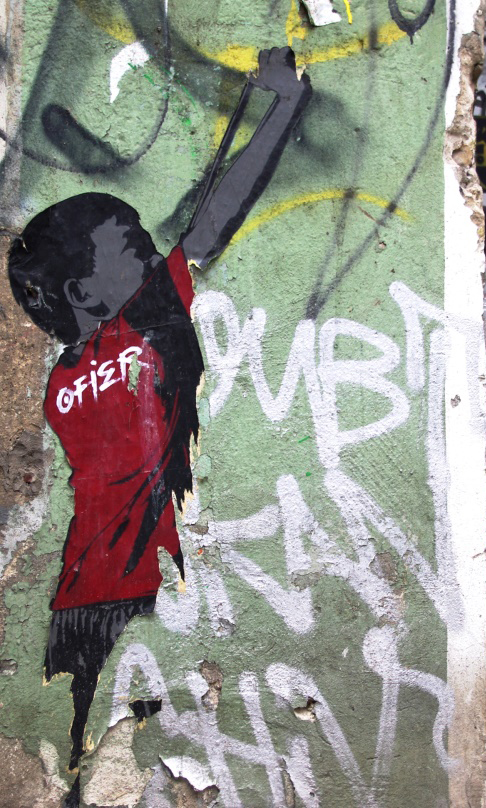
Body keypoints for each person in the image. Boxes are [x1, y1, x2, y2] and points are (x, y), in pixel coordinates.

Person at [7, 46, 311, 807]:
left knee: (80, 762)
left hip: (77, 596)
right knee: (142, 765)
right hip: (141, 592)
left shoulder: (62, 384)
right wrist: (286, 105)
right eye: (133, 245)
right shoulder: (140, 325)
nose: (151, 249)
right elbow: (216, 215)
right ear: (86, 293)